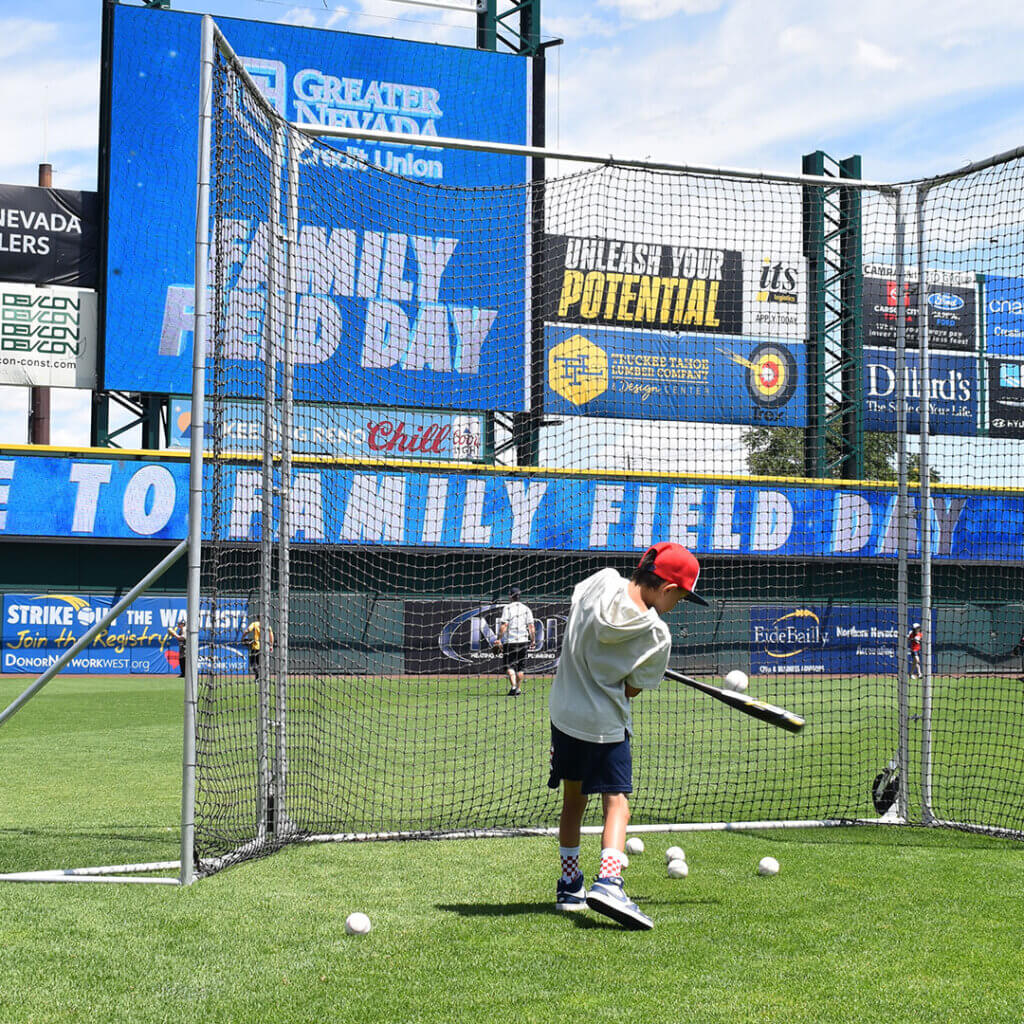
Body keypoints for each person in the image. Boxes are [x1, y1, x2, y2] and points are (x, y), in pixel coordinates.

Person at [548, 542, 708, 930]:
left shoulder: (600, 580)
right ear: (668, 588)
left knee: (574, 799)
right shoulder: (657, 635)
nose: (678, 605)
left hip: (564, 713)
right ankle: (610, 882)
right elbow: (631, 690)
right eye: (681, 597)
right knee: (616, 803)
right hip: (605, 725)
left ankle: (570, 886)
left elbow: (578, 621)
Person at [495, 587, 536, 697]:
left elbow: (504, 625)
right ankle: (518, 688)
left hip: (510, 641)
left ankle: (513, 687)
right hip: (523, 641)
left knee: (509, 666)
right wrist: (533, 640)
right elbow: (531, 626)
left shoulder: (507, 608)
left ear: (510, 596)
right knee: (520, 667)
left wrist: (498, 638)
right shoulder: (526, 608)